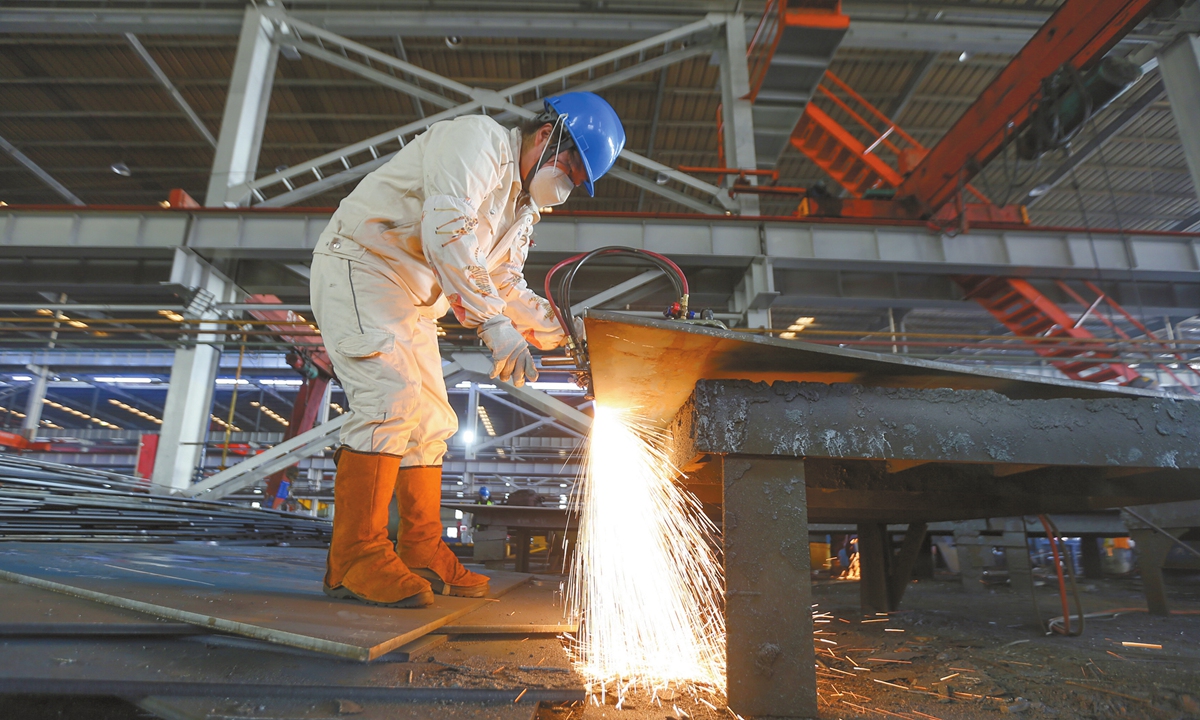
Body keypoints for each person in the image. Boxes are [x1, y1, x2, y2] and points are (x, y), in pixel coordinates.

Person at [310, 92, 625, 608]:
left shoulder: (521, 212)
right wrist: (496, 329)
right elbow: (447, 231)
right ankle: (354, 559)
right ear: (547, 136)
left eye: (576, 182)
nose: (565, 185)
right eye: (568, 168)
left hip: (411, 299)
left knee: (431, 422)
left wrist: (569, 335)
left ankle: (420, 549)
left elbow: (503, 281)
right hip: (362, 266)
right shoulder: (476, 141)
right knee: (390, 400)